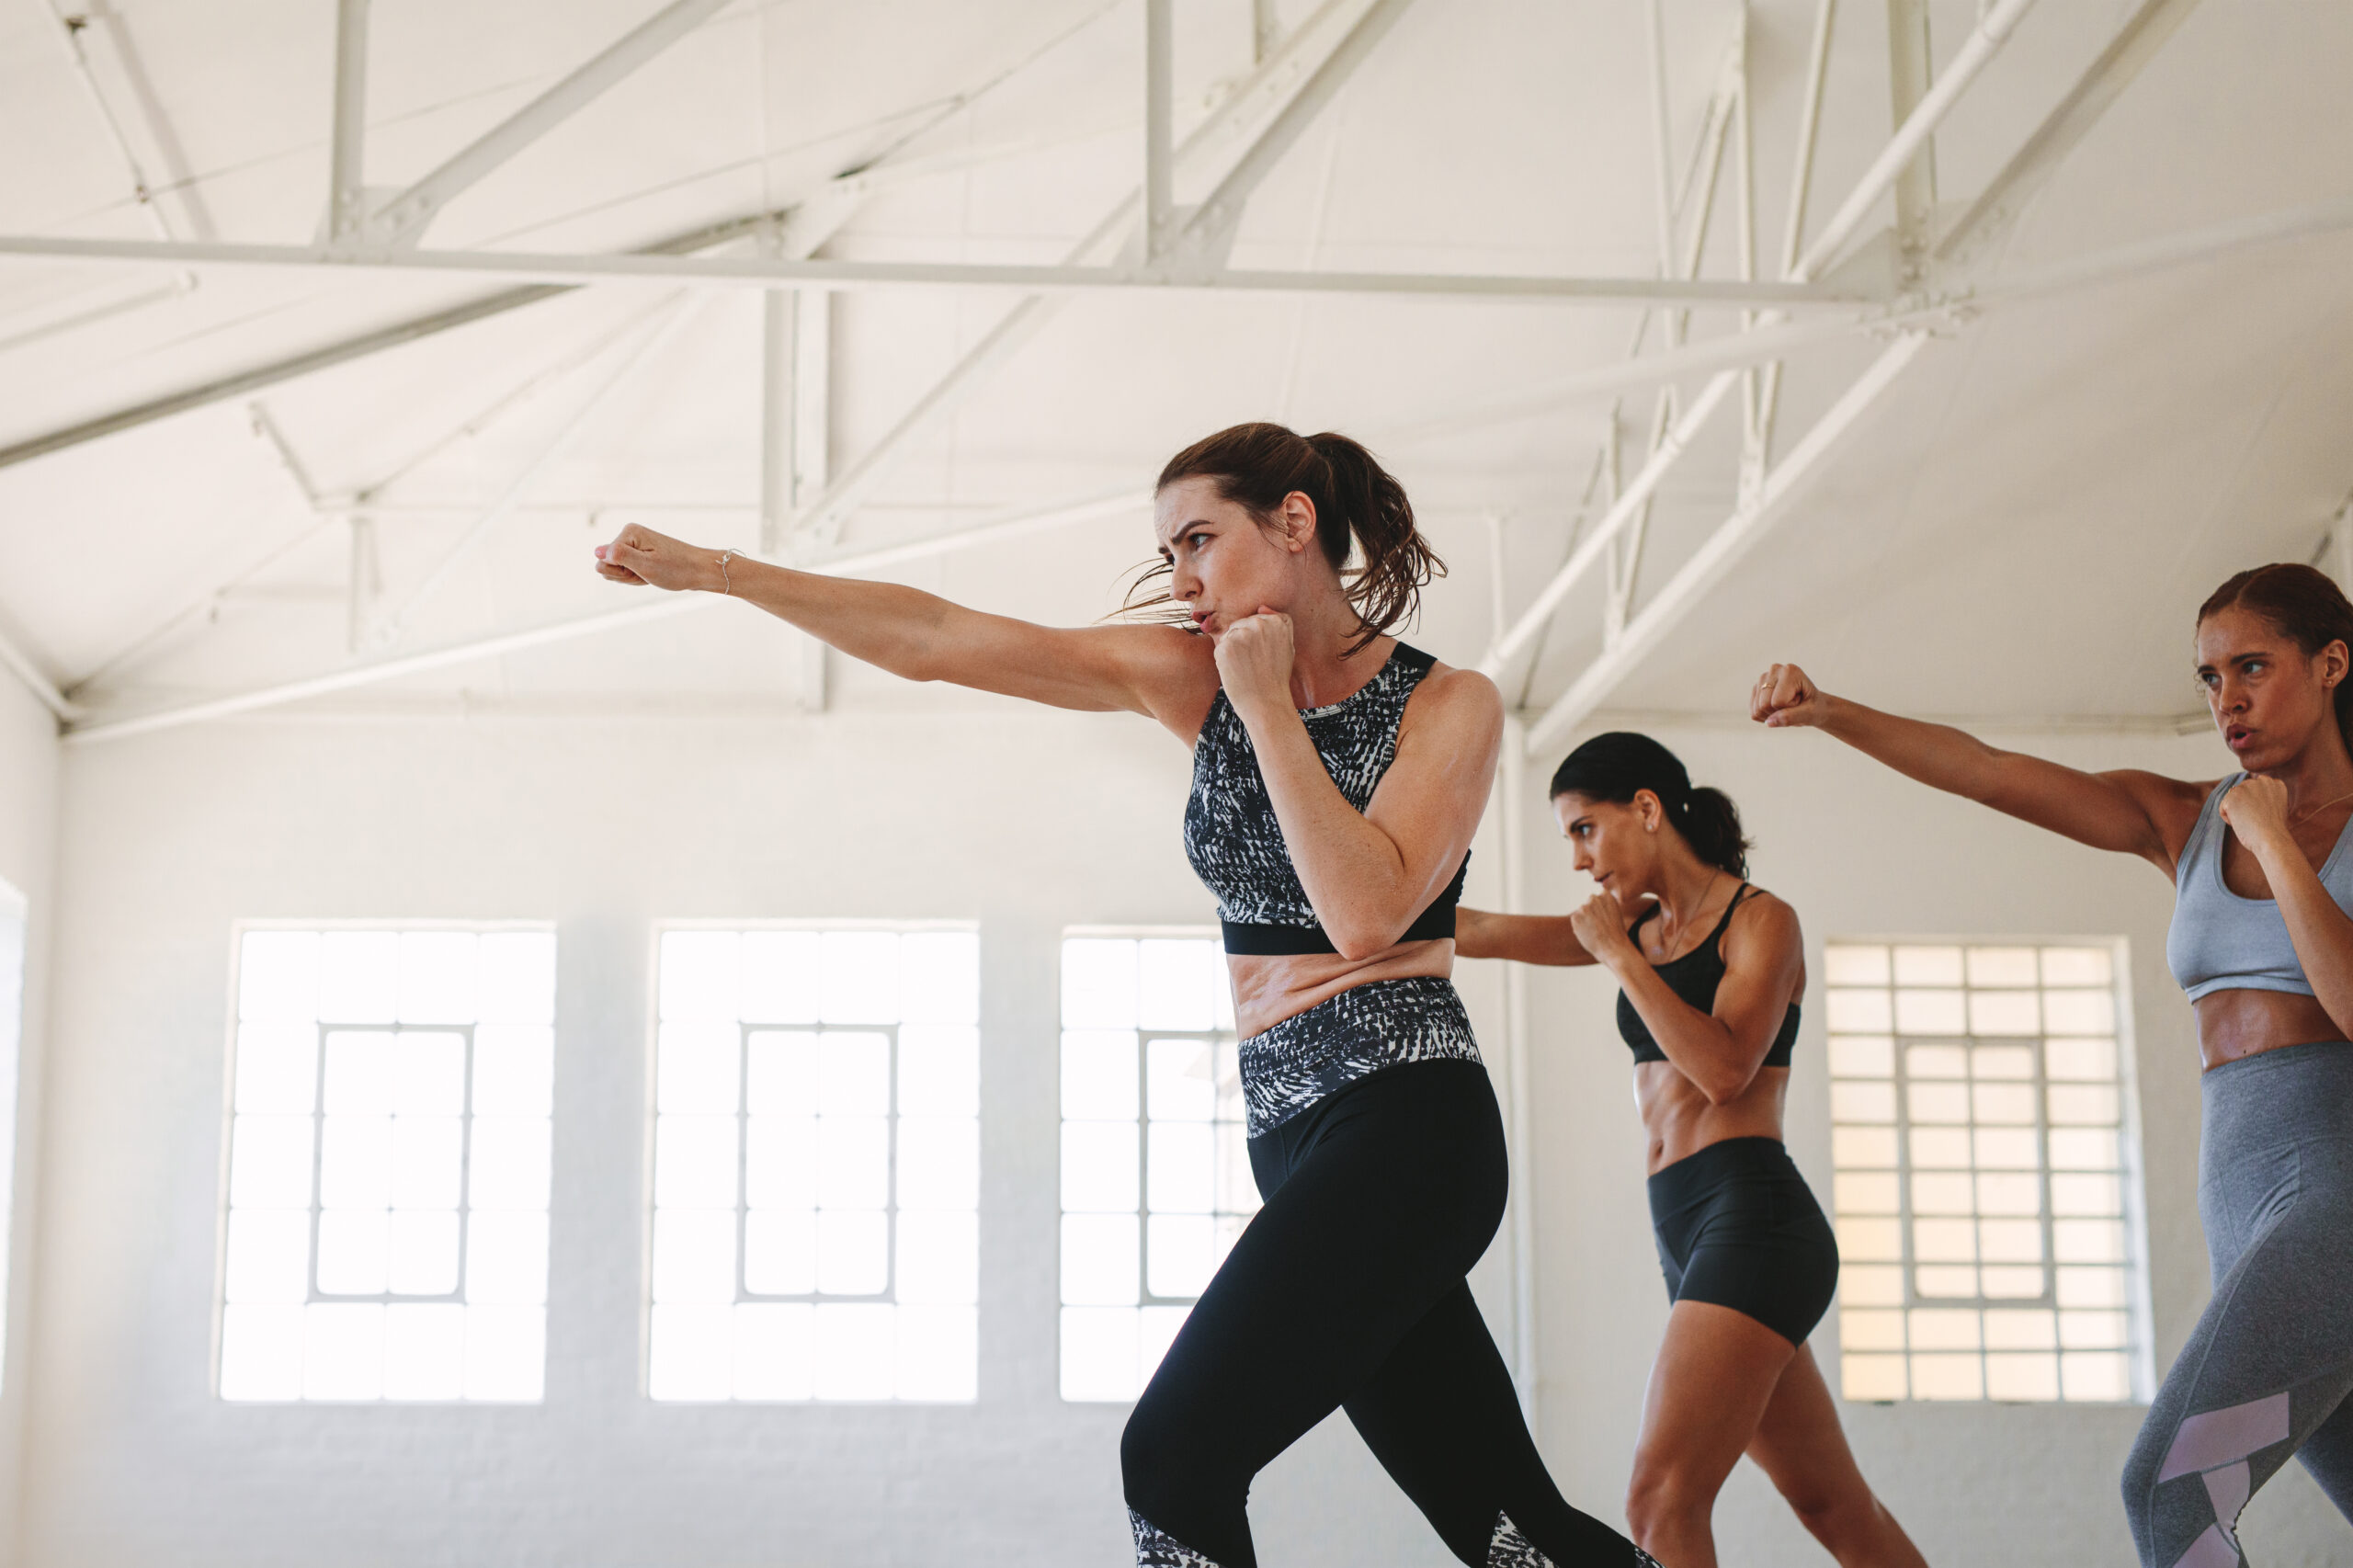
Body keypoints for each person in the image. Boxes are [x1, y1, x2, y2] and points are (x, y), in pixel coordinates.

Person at [594, 422, 1654, 1567]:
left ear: (1293, 523)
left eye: (1200, 539)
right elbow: (936, 638)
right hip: (1292, 1137)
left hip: (1407, 1123)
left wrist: (1265, 711)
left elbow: (1364, 913)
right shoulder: (1187, 675)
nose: (1183, 579)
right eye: (1170, 552)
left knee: (1174, 1459)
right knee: (1513, 1533)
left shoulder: (1446, 703)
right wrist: (717, 572)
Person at [1751, 562, 2353, 1568]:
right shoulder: (2181, 819)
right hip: (2244, 1213)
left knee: (2169, 1494)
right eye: (2208, 677)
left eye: (2252, 665)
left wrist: (2277, 838)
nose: (2226, 699)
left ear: (2331, 662)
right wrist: (1833, 712)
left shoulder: (2262, 821)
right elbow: (1985, 768)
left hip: (2333, 1196)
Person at [1455, 733, 1927, 1568]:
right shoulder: (1635, 928)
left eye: (1584, 829)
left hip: (1756, 1221)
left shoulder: (1762, 920)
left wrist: (1615, 956)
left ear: (1646, 808)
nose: (1578, 860)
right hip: (1687, 1232)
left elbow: (1723, 1068)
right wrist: (1345, 909)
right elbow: (1483, 929)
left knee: (1659, 1498)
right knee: (1833, 1505)